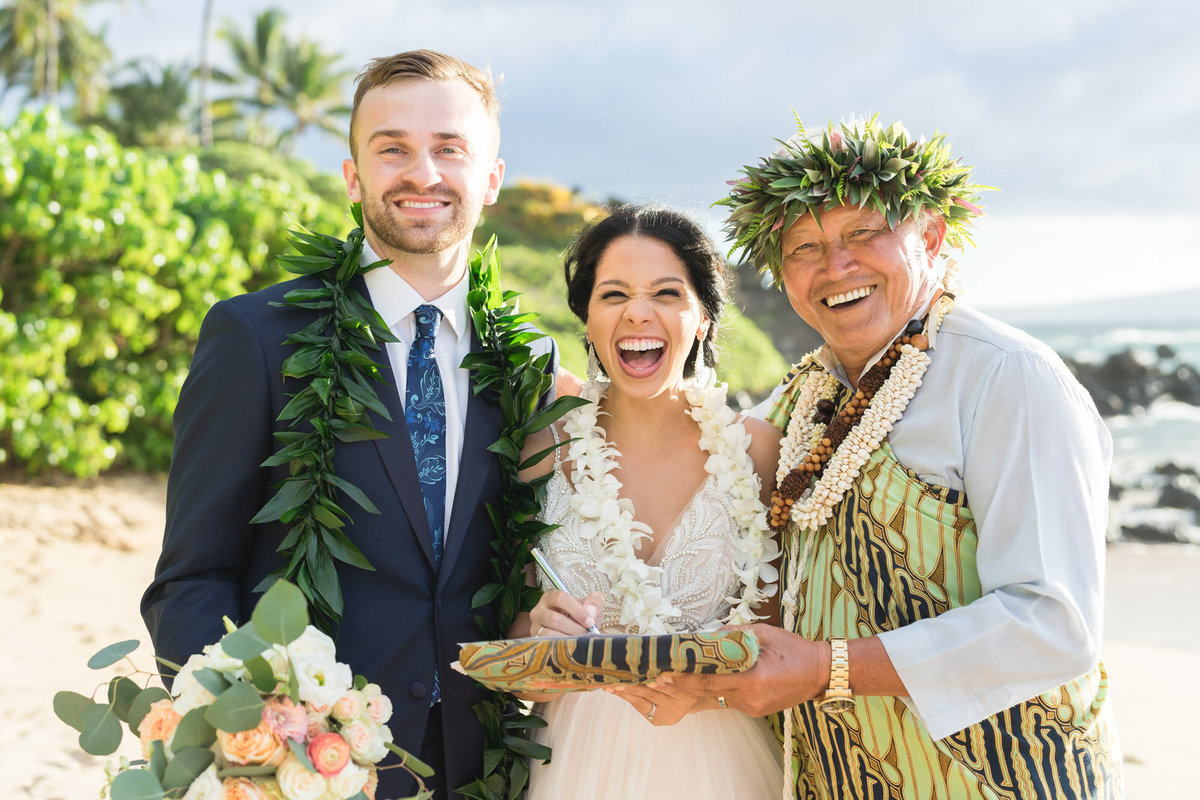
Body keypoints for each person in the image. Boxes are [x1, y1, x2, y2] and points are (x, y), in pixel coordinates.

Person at [141, 50, 558, 799]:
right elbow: (192, 580)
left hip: (485, 764)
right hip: (311, 771)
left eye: (449, 149)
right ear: (353, 175)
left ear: (491, 178)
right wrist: (256, 742)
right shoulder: (257, 338)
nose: (421, 173)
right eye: (392, 148)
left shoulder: (528, 358)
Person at [665, 118, 1124, 798]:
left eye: (861, 234)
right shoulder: (798, 405)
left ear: (931, 236)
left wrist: (827, 668)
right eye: (805, 248)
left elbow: (1053, 623)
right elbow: (683, 500)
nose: (835, 266)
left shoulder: (1006, 377)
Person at [510, 204, 786, 799]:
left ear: (704, 317)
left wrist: (706, 689)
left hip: (720, 770)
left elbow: (778, 640)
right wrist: (535, 634)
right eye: (613, 295)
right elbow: (508, 641)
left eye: (666, 292)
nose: (638, 312)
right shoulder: (540, 448)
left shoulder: (758, 451)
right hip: (570, 767)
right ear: (586, 317)